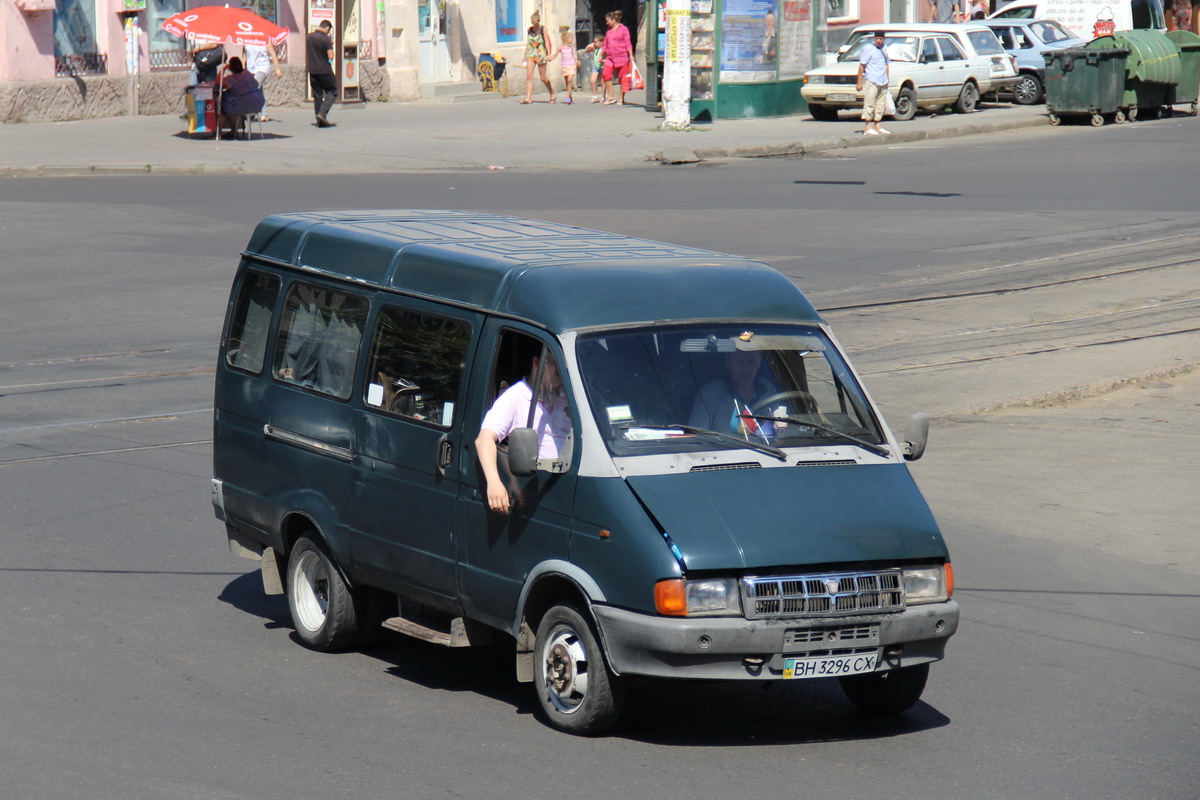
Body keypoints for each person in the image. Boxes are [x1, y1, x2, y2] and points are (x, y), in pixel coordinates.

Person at [475, 352, 571, 514]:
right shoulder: (515, 397)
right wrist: (494, 483)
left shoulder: (565, 395)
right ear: (537, 363)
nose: (562, 375)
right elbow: (484, 439)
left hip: (569, 479)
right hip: (538, 486)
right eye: (557, 367)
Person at [688, 349, 777, 439]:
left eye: (751, 362)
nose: (745, 370)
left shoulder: (768, 389)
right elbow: (696, 439)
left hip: (769, 451)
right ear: (728, 361)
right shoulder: (709, 395)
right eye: (739, 362)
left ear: (759, 363)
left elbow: (784, 427)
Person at [215, 57, 265, 140]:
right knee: (232, 103)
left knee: (224, 107)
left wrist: (223, 69)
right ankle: (233, 131)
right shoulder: (247, 73)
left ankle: (219, 133)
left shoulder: (232, 79)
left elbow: (218, 82)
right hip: (258, 103)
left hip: (244, 105)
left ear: (230, 68)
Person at [856, 31, 891, 135]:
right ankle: (867, 126)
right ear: (874, 39)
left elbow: (887, 64)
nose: (878, 41)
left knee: (881, 104)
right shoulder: (868, 49)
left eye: (880, 39)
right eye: (877, 39)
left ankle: (877, 125)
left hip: (882, 80)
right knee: (870, 102)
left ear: (884, 39)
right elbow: (862, 65)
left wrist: (887, 79)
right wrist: (859, 82)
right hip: (872, 79)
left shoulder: (885, 48)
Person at [306, 20, 337, 128]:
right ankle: (322, 114)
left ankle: (319, 121)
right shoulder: (326, 39)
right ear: (327, 28)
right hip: (324, 70)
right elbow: (331, 56)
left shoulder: (309, 37)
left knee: (317, 95)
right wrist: (330, 44)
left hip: (312, 70)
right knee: (332, 91)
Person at [520, 11, 556, 104]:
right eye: (533, 22)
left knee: (543, 78)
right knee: (529, 76)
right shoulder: (529, 30)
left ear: (538, 21)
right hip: (531, 54)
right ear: (531, 21)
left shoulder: (543, 29)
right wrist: (525, 55)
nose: (535, 24)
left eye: (536, 22)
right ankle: (528, 98)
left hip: (541, 54)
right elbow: (529, 43)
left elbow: (547, 42)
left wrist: (549, 54)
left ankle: (552, 93)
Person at [243, 41, 282, 121]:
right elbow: (244, 53)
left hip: (262, 68)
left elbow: (273, 54)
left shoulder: (265, 40)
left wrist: (277, 69)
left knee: (254, 87)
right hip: (250, 68)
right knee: (258, 90)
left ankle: (251, 112)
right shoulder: (246, 39)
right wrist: (243, 66)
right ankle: (264, 114)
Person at [601, 10, 634, 105]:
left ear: (613, 20)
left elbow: (628, 43)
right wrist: (601, 54)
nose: (606, 23)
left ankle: (621, 98)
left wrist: (631, 55)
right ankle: (611, 96)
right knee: (606, 75)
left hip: (622, 57)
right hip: (610, 58)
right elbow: (605, 44)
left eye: (608, 21)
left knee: (622, 78)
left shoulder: (624, 29)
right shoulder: (608, 32)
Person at [558, 28, 578, 104]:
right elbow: (555, 54)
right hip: (565, 66)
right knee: (567, 82)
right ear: (566, 39)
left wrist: (577, 62)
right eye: (570, 38)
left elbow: (573, 56)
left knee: (570, 80)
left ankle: (567, 98)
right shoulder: (561, 47)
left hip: (571, 65)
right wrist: (550, 57)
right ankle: (570, 97)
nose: (572, 39)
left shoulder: (571, 47)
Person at [584, 35, 606, 103]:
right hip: (595, 67)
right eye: (594, 42)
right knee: (592, 81)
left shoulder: (604, 49)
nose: (595, 44)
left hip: (602, 67)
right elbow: (586, 50)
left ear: (601, 42)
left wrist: (603, 60)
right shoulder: (594, 49)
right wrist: (591, 45)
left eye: (596, 42)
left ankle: (603, 97)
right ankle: (594, 95)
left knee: (602, 83)